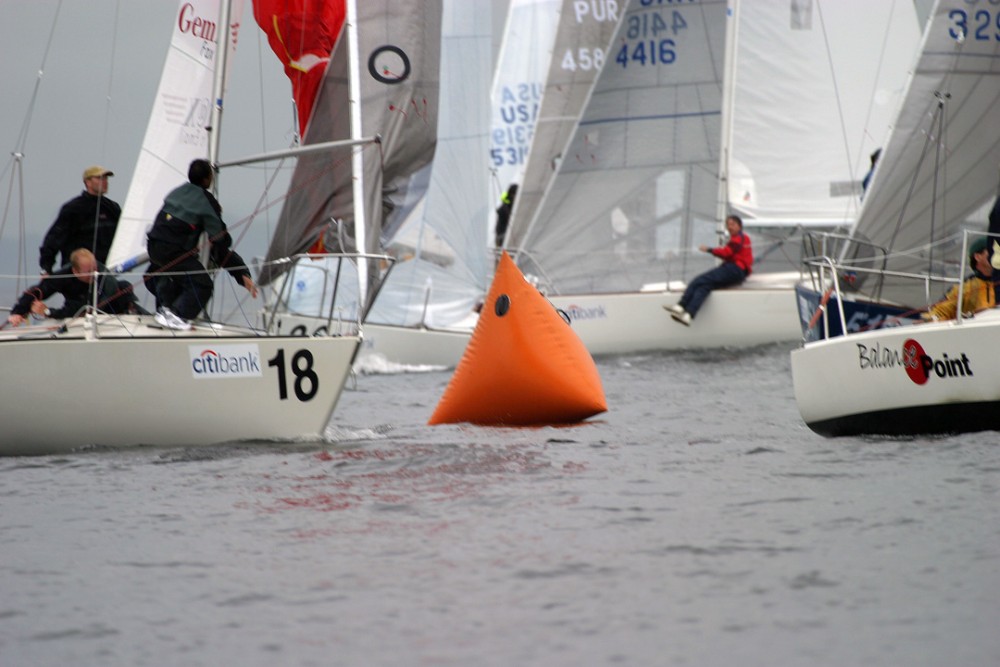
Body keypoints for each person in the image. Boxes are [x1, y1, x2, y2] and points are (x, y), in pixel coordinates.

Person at [145, 159, 257, 330]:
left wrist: (241, 273)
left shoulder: (177, 192)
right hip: (173, 251)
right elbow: (220, 241)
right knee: (202, 284)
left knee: (163, 276)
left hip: (153, 248)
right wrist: (225, 240)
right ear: (207, 179)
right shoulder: (207, 201)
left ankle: (166, 311)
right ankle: (177, 316)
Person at [6, 248, 139, 327]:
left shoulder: (104, 277)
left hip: (110, 314)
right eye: (88, 271)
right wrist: (18, 312)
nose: (94, 273)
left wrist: (48, 312)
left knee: (123, 286)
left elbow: (82, 309)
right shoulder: (65, 275)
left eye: (95, 268)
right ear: (75, 271)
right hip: (79, 314)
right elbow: (38, 290)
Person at [664, 215, 753, 326]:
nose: (730, 227)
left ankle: (680, 306)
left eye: (733, 224)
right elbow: (733, 255)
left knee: (699, 280)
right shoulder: (744, 239)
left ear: (739, 226)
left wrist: (709, 249)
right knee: (705, 287)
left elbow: (726, 253)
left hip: (734, 269)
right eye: (728, 225)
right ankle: (689, 315)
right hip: (738, 272)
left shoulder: (738, 239)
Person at [39, 165, 121, 275]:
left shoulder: (113, 208)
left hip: (105, 272)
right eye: (100, 178)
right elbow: (54, 239)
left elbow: (123, 236)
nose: (105, 182)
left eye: (106, 178)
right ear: (87, 182)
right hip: (78, 274)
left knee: (125, 288)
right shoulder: (73, 208)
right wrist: (46, 267)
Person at [922, 236, 996, 322]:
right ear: (978, 257)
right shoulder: (964, 287)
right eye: (992, 251)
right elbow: (940, 312)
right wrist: (928, 320)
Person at [495, 183, 518, 248]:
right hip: (502, 237)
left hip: (504, 236)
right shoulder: (505, 208)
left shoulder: (508, 206)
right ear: (511, 195)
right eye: (516, 194)